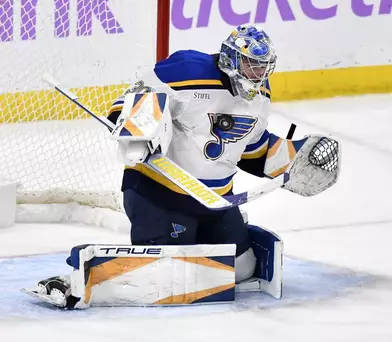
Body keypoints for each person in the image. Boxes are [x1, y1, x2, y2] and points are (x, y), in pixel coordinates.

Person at [25, 24, 341, 308]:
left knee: (243, 269)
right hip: (160, 195)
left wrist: (293, 161)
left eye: (262, 68)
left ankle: (211, 237)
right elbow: (129, 103)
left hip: (215, 201)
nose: (257, 75)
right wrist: (141, 128)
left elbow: (254, 150)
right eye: (250, 65)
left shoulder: (259, 94)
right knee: (169, 275)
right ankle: (76, 277)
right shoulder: (187, 69)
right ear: (231, 58)